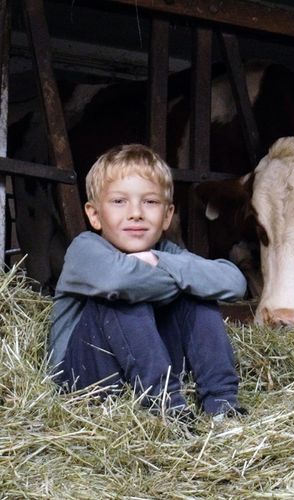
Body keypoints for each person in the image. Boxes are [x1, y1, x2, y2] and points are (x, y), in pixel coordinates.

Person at [49, 144, 248, 423]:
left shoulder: (167, 252)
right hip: (85, 381)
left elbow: (234, 282)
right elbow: (118, 279)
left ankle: (222, 404)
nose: (136, 213)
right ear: (94, 215)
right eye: (119, 201)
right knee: (126, 295)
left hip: (143, 370)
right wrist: (181, 279)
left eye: (150, 202)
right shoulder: (85, 249)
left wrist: (158, 260)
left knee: (197, 297)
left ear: (167, 216)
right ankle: (169, 411)